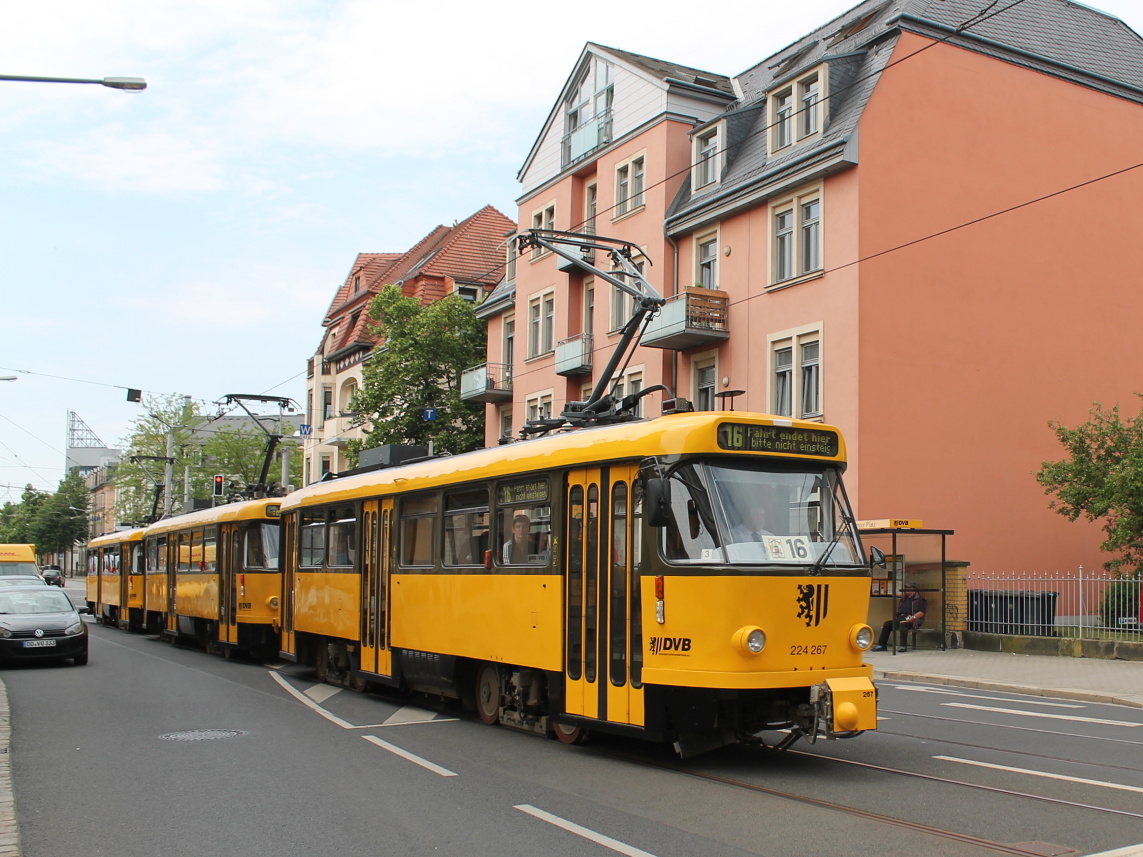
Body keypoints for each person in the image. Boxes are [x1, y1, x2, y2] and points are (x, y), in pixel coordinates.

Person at [872, 581, 926, 651]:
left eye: (908, 588)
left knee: (903, 624)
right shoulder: (904, 598)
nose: (906, 589)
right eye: (905, 588)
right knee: (887, 624)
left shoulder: (920, 599)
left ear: (914, 589)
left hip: (913, 620)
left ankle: (903, 646)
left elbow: (922, 612)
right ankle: (882, 645)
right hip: (901, 618)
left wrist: (913, 618)